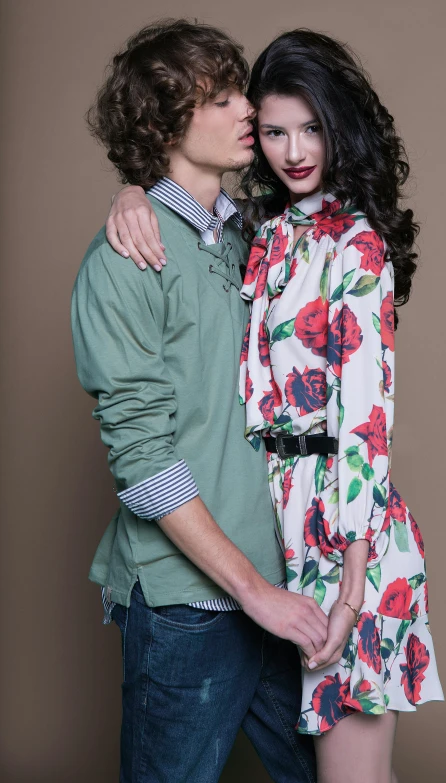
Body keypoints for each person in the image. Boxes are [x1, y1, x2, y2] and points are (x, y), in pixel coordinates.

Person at [109, 28, 444, 783]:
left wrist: (352, 586)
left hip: (343, 536)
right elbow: (181, 201)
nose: (294, 149)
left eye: (312, 128)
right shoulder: (260, 232)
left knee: (350, 777)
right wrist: (131, 192)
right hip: (279, 536)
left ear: (338, 128)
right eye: (274, 130)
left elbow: (365, 418)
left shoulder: (354, 243)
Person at [72, 20, 324, 783]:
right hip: (192, 603)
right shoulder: (125, 261)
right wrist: (255, 595)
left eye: (237, 88)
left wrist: (276, 591)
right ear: (164, 123)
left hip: (281, 579)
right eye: (218, 97)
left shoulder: (249, 234)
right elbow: (144, 463)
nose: (246, 107)